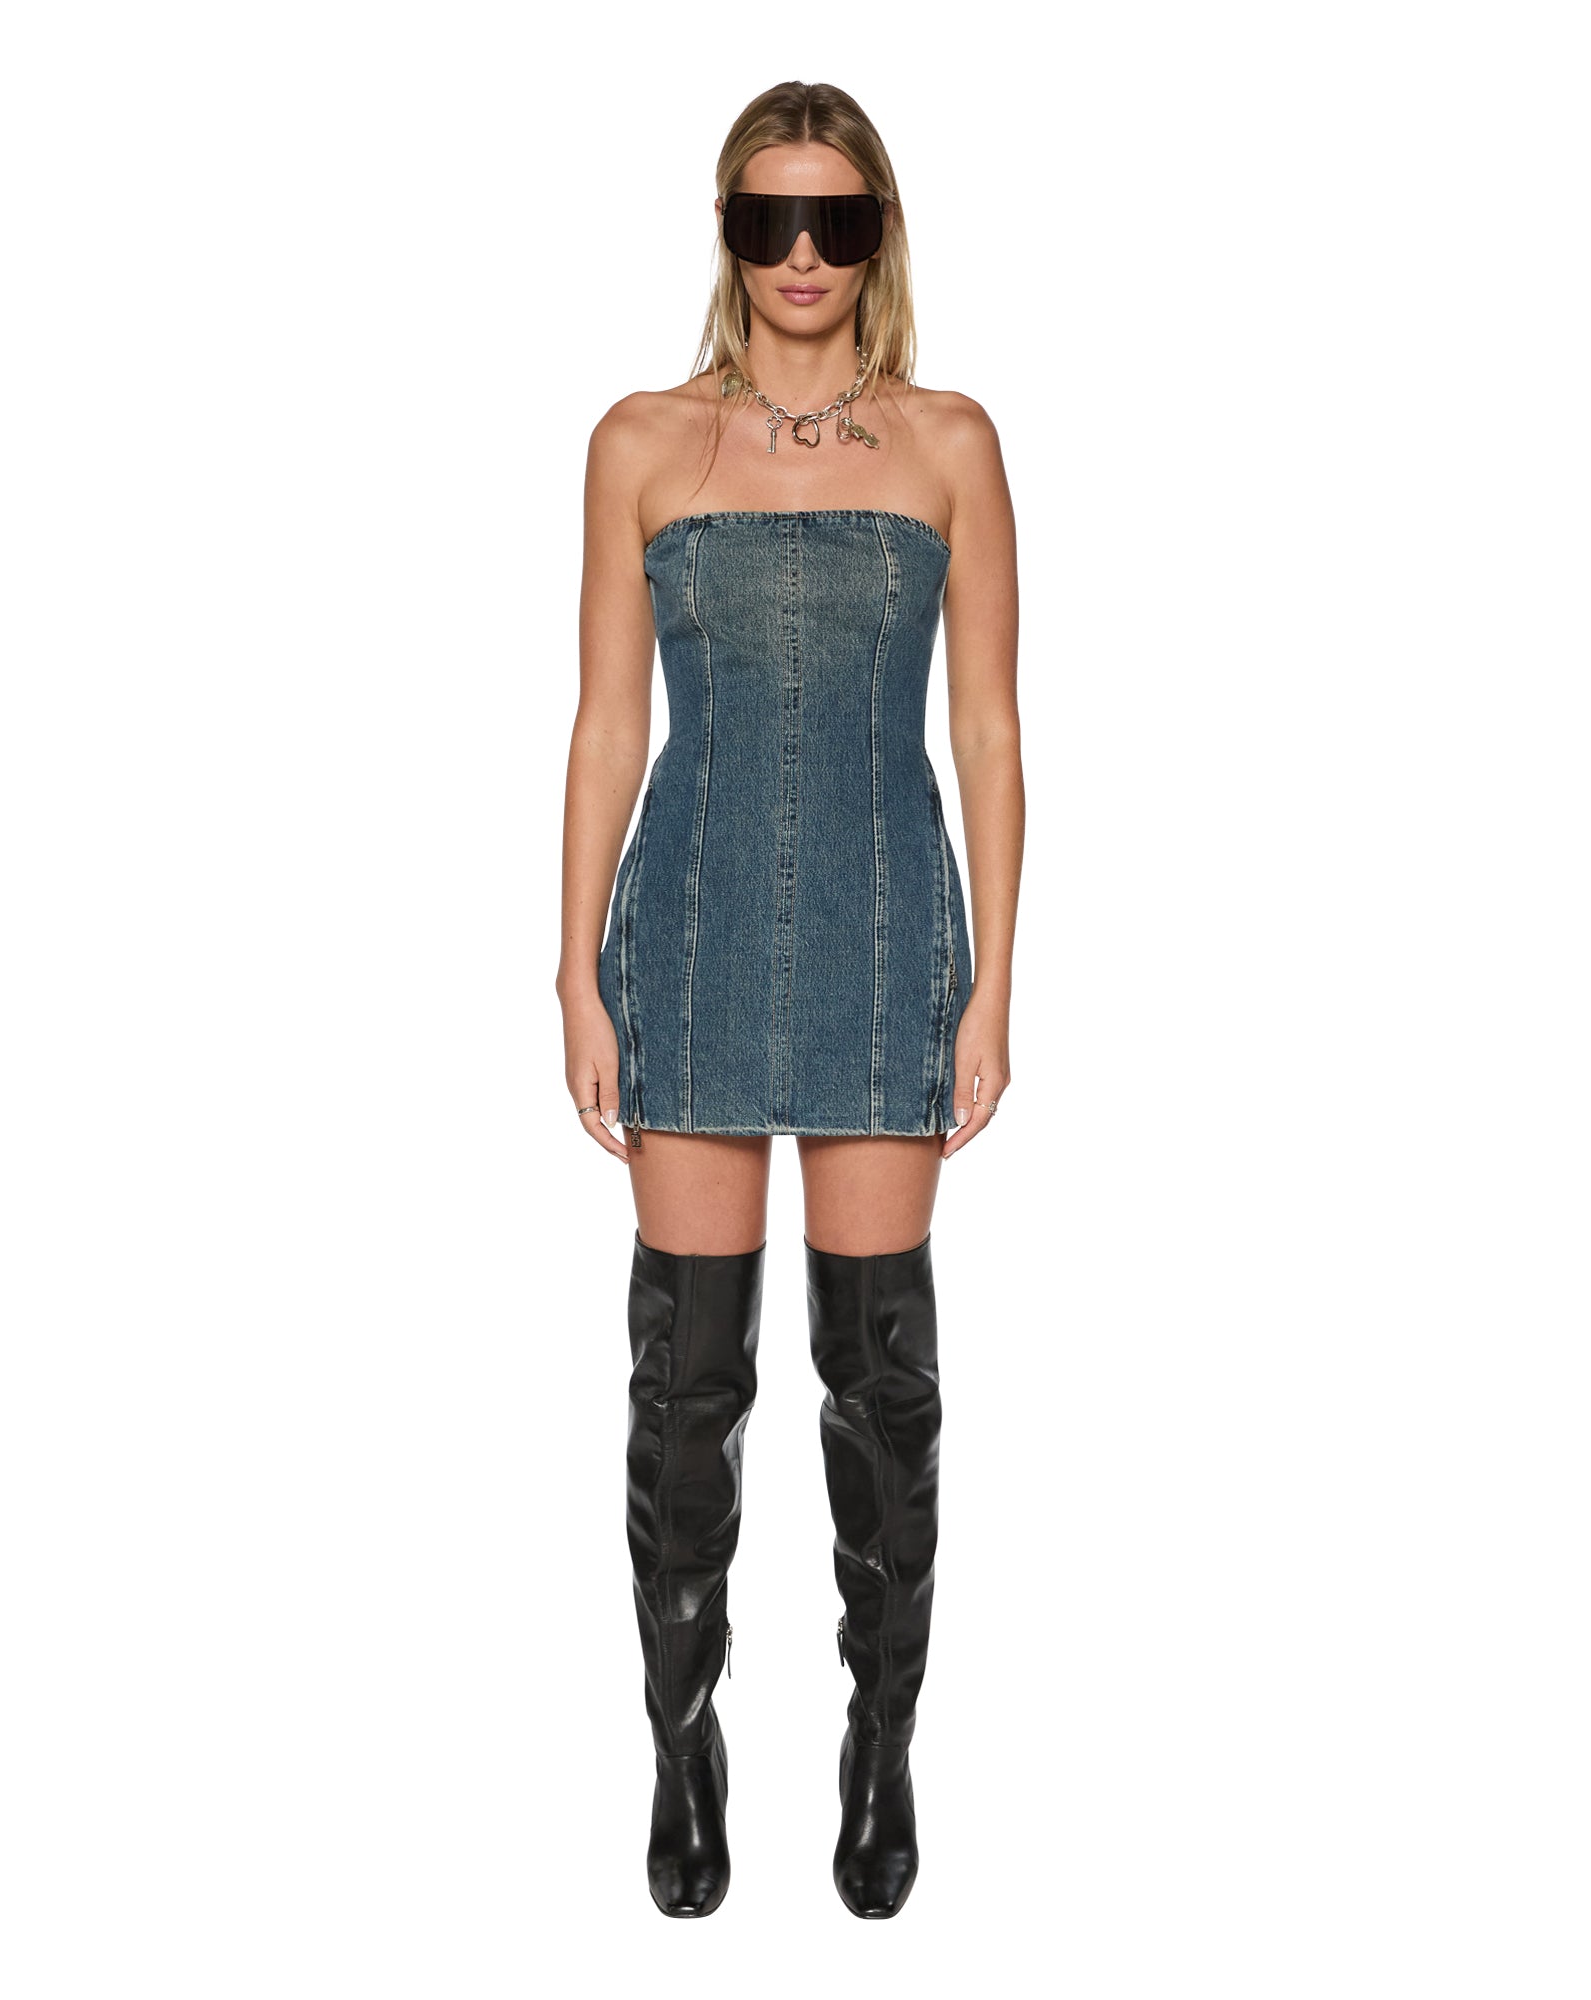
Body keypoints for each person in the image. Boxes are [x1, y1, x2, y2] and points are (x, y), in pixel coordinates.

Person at [557, 78, 1023, 1919]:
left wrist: (994, 984)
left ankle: (880, 1747)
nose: (804, 254)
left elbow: (989, 729)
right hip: (684, 922)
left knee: (882, 1386)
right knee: (686, 1385)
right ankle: (682, 1753)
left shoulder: (951, 443)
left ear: (878, 231)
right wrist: (573, 969)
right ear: (729, 233)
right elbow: (608, 722)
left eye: (835, 220)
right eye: (771, 221)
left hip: (887, 919)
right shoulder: (644, 442)